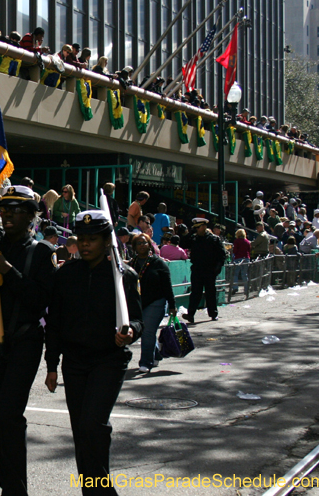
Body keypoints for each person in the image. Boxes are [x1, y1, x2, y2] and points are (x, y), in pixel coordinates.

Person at [44, 210, 143, 495]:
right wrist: (52, 364)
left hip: (108, 359)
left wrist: (130, 332)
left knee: (93, 424)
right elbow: (55, 323)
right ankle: (93, 489)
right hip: (74, 362)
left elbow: (138, 320)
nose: (86, 245)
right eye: (82, 239)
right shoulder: (66, 275)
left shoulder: (123, 276)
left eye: (93, 239)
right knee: (81, 431)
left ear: (106, 241)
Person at [0, 185, 56, 495]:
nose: (7, 216)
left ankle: (15, 489)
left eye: (16, 210)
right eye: (4, 209)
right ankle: (6, 477)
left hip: (24, 340)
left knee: (9, 415)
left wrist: (9, 271)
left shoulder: (42, 252)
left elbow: (41, 300)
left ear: (32, 215)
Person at [130, 233, 175, 373]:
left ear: (149, 245)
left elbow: (167, 286)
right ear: (134, 247)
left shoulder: (158, 263)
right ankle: (156, 354)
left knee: (148, 331)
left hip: (157, 302)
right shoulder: (132, 263)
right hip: (139, 303)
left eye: (144, 243)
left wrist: (172, 305)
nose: (142, 245)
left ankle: (146, 362)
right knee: (145, 331)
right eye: (139, 243)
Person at [182, 218, 227, 323]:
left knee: (210, 292)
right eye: (196, 228)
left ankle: (213, 313)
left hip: (209, 269)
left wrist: (218, 268)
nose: (197, 230)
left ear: (204, 227)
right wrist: (191, 233)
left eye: (199, 227)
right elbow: (183, 243)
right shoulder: (194, 238)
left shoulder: (214, 239)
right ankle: (191, 314)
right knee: (195, 293)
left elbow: (222, 255)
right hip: (197, 269)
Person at [231, 228, 251, 294]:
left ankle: (235, 288)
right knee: (244, 274)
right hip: (246, 258)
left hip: (238, 258)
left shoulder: (237, 241)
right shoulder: (247, 241)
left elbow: (235, 250)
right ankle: (246, 288)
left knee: (235, 273)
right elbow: (249, 250)